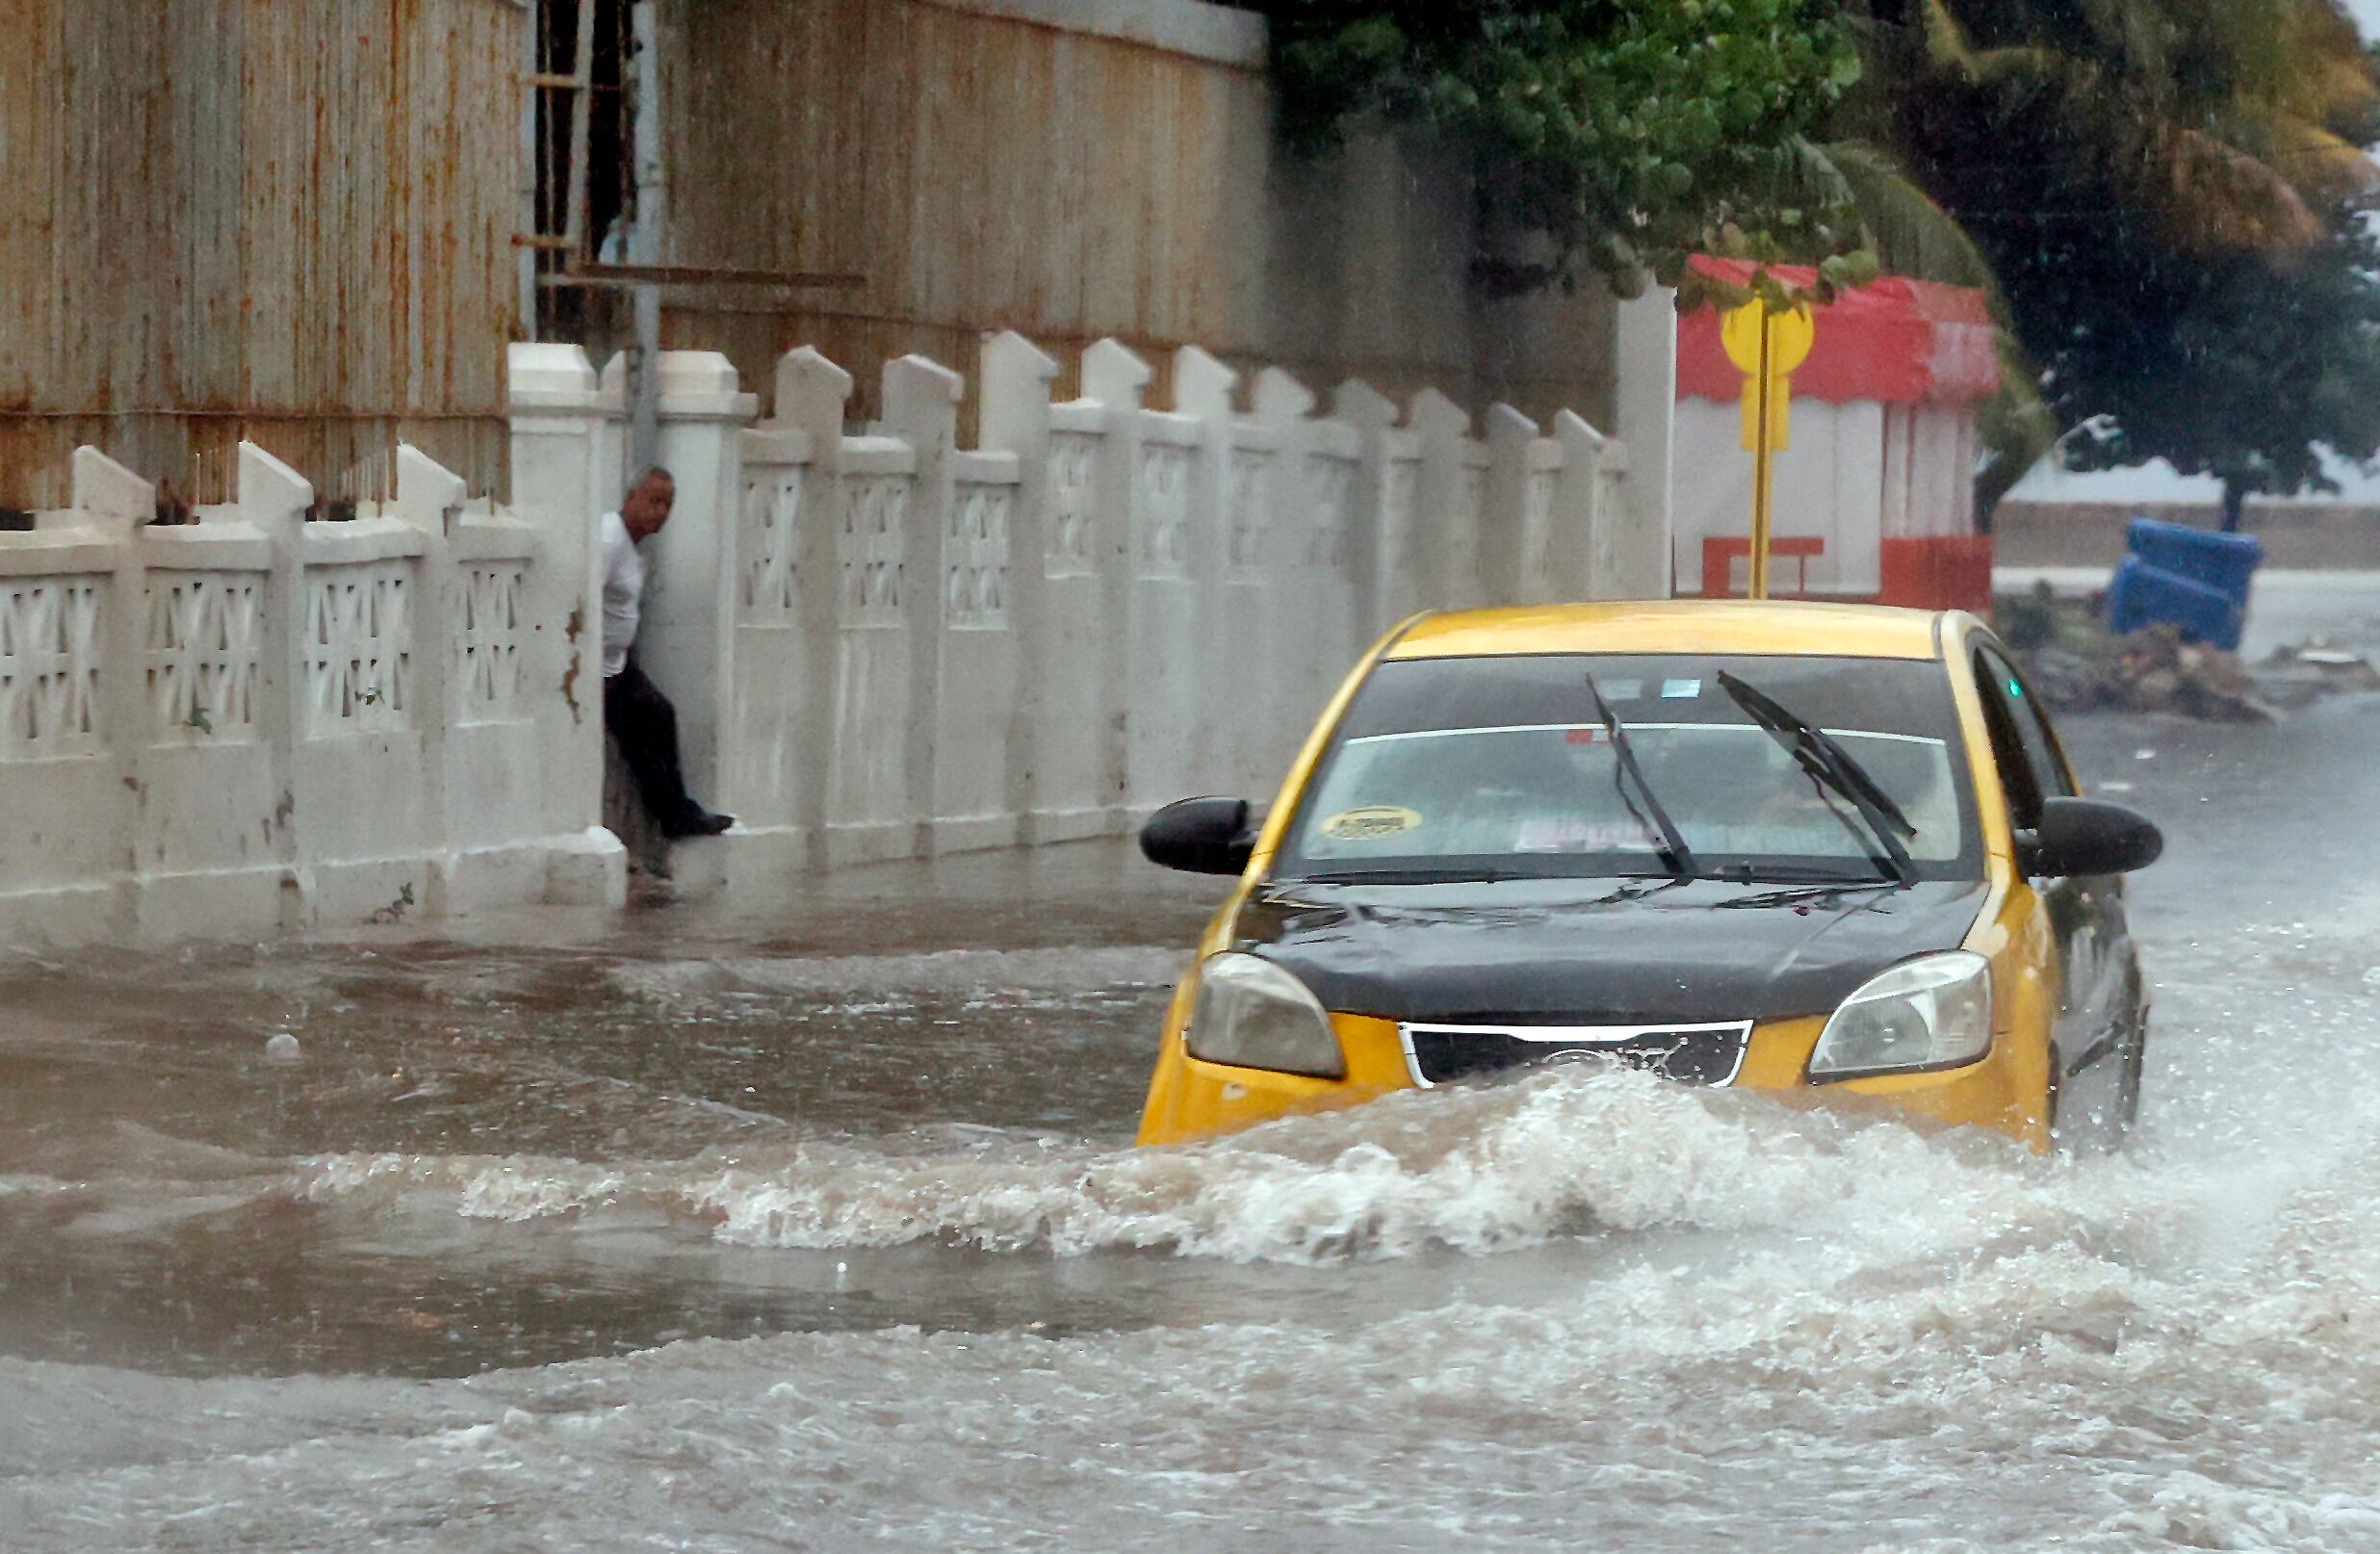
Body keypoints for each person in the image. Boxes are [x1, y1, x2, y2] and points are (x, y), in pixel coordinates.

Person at [600, 468, 735, 840]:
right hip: (598, 672)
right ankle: (675, 818)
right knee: (642, 735)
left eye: (667, 505)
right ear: (630, 499)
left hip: (617, 665)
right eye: (653, 501)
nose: (660, 512)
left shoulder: (630, 545)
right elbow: (583, 597)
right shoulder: (608, 539)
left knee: (660, 717)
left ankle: (680, 815)